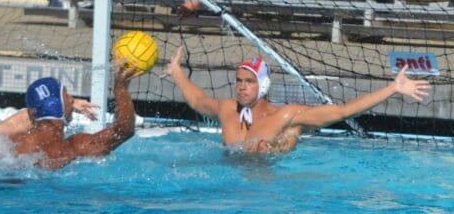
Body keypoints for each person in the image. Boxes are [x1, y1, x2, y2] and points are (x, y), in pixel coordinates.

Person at [161, 47, 431, 153]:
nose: (241, 87)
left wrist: (392, 88)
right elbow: (198, 100)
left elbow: (343, 111)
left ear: (263, 85)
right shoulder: (227, 109)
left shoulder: (287, 116)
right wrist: (176, 72)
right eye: (238, 80)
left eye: (249, 81)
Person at [10, 59, 142, 170]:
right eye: (66, 96)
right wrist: (121, 87)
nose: (72, 100)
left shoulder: (13, 142)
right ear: (55, 106)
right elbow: (123, 130)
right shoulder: (72, 147)